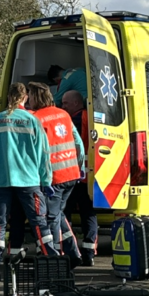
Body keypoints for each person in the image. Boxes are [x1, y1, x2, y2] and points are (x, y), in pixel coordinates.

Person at [0, 82, 56, 282]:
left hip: (0, 182)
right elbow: (44, 154)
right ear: (25, 97)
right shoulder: (32, 120)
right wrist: (46, 180)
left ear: (9, 97)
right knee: (39, 224)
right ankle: (52, 264)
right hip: (28, 181)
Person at [27, 82, 86, 266]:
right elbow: (78, 143)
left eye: (30, 95)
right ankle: (73, 253)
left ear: (35, 97)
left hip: (54, 178)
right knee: (59, 214)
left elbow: (34, 151)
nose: (28, 100)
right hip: (71, 174)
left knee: (52, 218)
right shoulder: (64, 114)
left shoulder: (36, 118)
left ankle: (57, 258)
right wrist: (80, 167)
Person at [60, 89, 99, 266]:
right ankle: (89, 252)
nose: (63, 107)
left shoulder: (74, 119)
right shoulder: (90, 117)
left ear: (76, 103)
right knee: (88, 213)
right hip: (88, 175)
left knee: (65, 213)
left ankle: (70, 250)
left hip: (73, 174)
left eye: (65, 103)